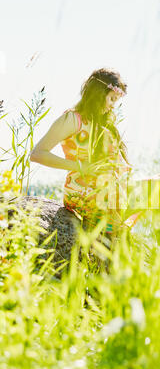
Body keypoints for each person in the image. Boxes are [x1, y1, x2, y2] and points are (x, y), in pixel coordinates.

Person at [30, 68, 143, 243]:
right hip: (86, 192)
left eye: (116, 100)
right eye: (112, 99)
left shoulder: (104, 125)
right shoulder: (73, 119)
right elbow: (37, 154)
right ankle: (114, 233)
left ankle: (119, 231)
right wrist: (80, 166)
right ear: (98, 93)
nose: (114, 105)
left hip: (108, 193)